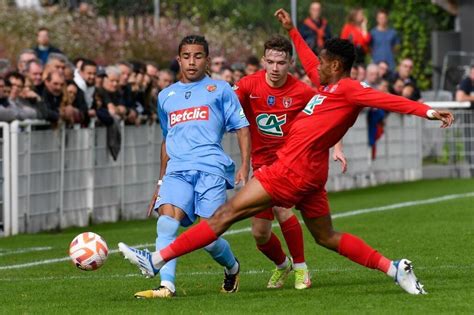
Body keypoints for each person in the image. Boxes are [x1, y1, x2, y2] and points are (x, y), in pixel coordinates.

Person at [118, 9, 453, 296]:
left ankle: (156, 260)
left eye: (321, 62)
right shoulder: (329, 86)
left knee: (224, 215)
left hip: (290, 171)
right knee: (327, 237)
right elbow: (308, 61)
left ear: (335, 64)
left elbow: (386, 99)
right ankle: (396, 270)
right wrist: (292, 30)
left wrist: (428, 111)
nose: (314, 67)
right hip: (310, 173)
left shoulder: (349, 89)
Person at [129, 35, 251, 299]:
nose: (192, 62)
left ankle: (232, 267)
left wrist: (245, 166)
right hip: (177, 171)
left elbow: (242, 127)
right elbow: (167, 139)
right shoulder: (165, 96)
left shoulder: (220, 90)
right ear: (178, 60)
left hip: (211, 168)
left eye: (198, 56)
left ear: (207, 60)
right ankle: (166, 287)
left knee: (207, 237)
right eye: (186, 56)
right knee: (166, 223)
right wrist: (160, 182)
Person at [234, 34, 346, 290]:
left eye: (281, 63)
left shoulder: (302, 92)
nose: (275, 68)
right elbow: (226, 106)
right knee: (260, 234)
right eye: (270, 62)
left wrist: (337, 147)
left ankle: (301, 268)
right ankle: (283, 265)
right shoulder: (248, 86)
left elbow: (329, 117)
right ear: (263, 60)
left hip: (289, 164)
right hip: (260, 165)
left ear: (290, 63)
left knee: (282, 209)